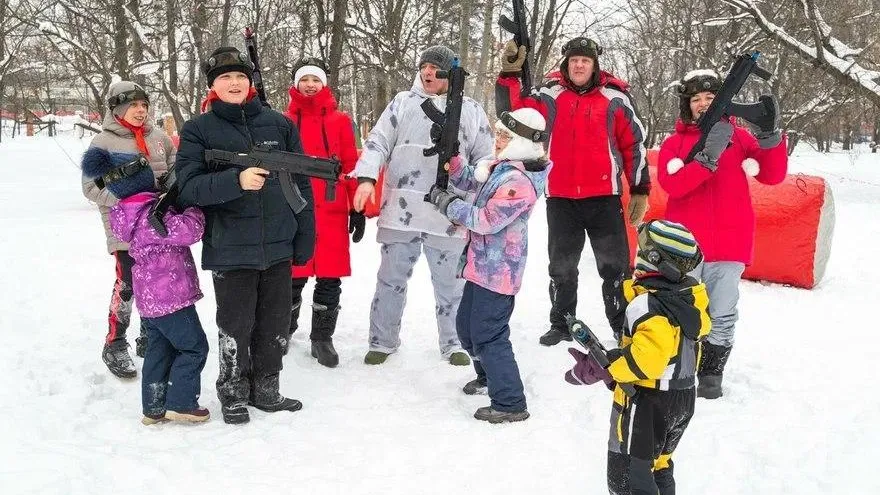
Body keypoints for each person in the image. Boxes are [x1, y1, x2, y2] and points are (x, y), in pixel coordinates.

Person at [175, 46, 316, 425]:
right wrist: (235, 181)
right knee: (235, 324)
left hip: (278, 245)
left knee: (274, 322)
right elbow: (187, 187)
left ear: (251, 81)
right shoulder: (197, 130)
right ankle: (233, 392)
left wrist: (305, 236)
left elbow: (301, 182)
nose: (234, 83)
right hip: (229, 246)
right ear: (213, 86)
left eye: (240, 76)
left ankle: (267, 388)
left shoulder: (280, 124)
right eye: (225, 78)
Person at [496, 37, 650, 346]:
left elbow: (633, 144)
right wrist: (510, 74)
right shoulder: (549, 95)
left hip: (603, 199)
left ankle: (622, 326)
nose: (579, 65)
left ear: (595, 65)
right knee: (562, 268)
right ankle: (562, 322)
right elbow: (513, 112)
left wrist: (639, 187)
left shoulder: (614, 98)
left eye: (585, 60)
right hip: (561, 198)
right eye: (574, 60)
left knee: (615, 268)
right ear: (566, 63)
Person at [351, 45, 494, 365]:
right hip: (400, 211)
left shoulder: (471, 110)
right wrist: (366, 178)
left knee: (452, 284)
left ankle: (454, 342)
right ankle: (382, 339)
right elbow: (377, 143)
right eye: (423, 66)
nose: (427, 72)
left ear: (448, 74)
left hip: (450, 213)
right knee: (390, 280)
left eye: (435, 67)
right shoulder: (402, 103)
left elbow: (485, 156)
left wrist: (479, 183)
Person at [657, 69, 788, 399]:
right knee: (682, 310)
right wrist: (705, 159)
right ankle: (680, 369)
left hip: (730, 242)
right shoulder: (674, 144)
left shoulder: (740, 139)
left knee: (722, 312)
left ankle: (712, 374)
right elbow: (673, 185)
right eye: (696, 99)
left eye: (710, 98)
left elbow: (772, 177)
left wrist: (770, 136)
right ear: (687, 106)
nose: (703, 104)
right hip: (685, 246)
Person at [565, 220, 710, 495]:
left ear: (653, 261)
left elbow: (647, 362)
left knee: (629, 474)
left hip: (647, 402)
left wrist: (611, 367)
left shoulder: (648, 304)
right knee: (659, 464)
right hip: (681, 398)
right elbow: (673, 355)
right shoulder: (689, 301)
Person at [427, 108, 550, 423]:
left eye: (506, 136)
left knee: (488, 333)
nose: (498, 140)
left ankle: (510, 401)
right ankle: (488, 377)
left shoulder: (519, 180)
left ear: (522, 141)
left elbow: (486, 220)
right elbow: (471, 178)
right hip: (479, 264)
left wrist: (447, 203)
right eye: (498, 133)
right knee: (467, 329)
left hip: (499, 272)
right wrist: (452, 157)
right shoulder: (502, 167)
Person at [82, 147, 210, 425]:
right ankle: (182, 403)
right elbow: (191, 230)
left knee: (158, 351)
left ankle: (153, 408)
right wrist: (192, 207)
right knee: (194, 347)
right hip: (171, 298)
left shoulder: (128, 214)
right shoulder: (154, 217)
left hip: (150, 302)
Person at [81, 81, 175, 378]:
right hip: (123, 229)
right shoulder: (103, 143)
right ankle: (115, 342)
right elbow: (90, 187)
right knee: (129, 283)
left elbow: (175, 173)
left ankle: (150, 335)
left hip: (157, 225)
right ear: (117, 108)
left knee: (157, 281)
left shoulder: (160, 138)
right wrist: (125, 205)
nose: (140, 111)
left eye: (144, 105)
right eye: (134, 105)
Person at [283, 57, 362, 367]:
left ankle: (322, 338)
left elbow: (352, 163)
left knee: (330, 277)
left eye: (316, 79)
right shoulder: (284, 120)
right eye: (305, 79)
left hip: (332, 208)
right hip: (295, 208)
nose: (310, 84)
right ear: (296, 84)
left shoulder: (341, 121)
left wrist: (356, 207)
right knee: (292, 276)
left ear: (324, 84)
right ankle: (283, 332)